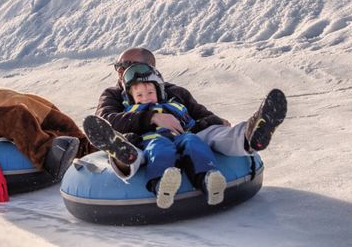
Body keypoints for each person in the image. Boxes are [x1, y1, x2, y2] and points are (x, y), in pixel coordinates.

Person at [83, 47, 287, 208]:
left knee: (211, 134)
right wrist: (151, 117)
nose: (120, 69)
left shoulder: (173, 92)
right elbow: (106, 119)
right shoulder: (114, 94)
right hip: (142, 140)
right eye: (118, 64)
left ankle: (249, 134)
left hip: (184, 134)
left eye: (127, 64)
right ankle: (123, 156)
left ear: (150, 67)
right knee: (136, 147)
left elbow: (200, 113)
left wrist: (216, 121)